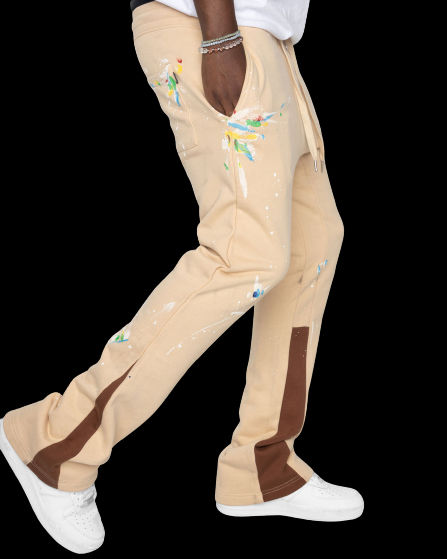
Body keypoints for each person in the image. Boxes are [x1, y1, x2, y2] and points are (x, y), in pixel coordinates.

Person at [0, 0, 364, 553]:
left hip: (269, 39)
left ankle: (262, 466)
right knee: (244, 254)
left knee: (313, 245)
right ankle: (54, 444)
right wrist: (220, 38)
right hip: (213, 26)